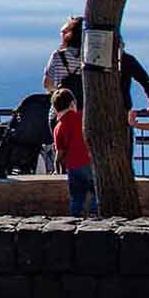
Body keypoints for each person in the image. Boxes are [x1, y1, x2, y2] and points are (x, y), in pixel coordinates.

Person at [52, 89, 97, 217]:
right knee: (96, 193)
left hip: (73, 167)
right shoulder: (83, 117)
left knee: (77, 198)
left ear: (55, 109)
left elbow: (59, 153)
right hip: (89, 162)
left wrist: (57, 168)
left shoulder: (58, 127)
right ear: (72, 103)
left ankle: (75, 219)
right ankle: (96, 217)